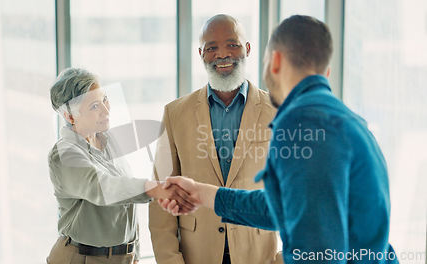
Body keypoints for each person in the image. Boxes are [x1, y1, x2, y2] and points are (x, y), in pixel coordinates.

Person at [160, 15, 399, 264]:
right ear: (325, 71)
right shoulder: (344, 120)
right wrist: (202, 193)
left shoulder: (300, 119)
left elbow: (319, 248)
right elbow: (286, 207)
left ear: (274, 61)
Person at [148, 14, 280, 264]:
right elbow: (160, 199)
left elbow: (300, 197)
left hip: (260, 256)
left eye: (232, 44)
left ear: (248, 49)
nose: (222, 54)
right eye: (212, 48)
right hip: (197, 256)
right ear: (201, 54)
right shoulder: (175, 113)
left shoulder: (278, 111)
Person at [46, 68, 195, 264]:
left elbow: (127, 201)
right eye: (94, 106)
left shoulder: (108, 139)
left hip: (123, 257)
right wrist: (157, 189)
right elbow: (105, 188)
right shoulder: (64, 154)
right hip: (82, 258)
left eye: (105, 99)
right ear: (70, 116)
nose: (106, 110)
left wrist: (134, 251)